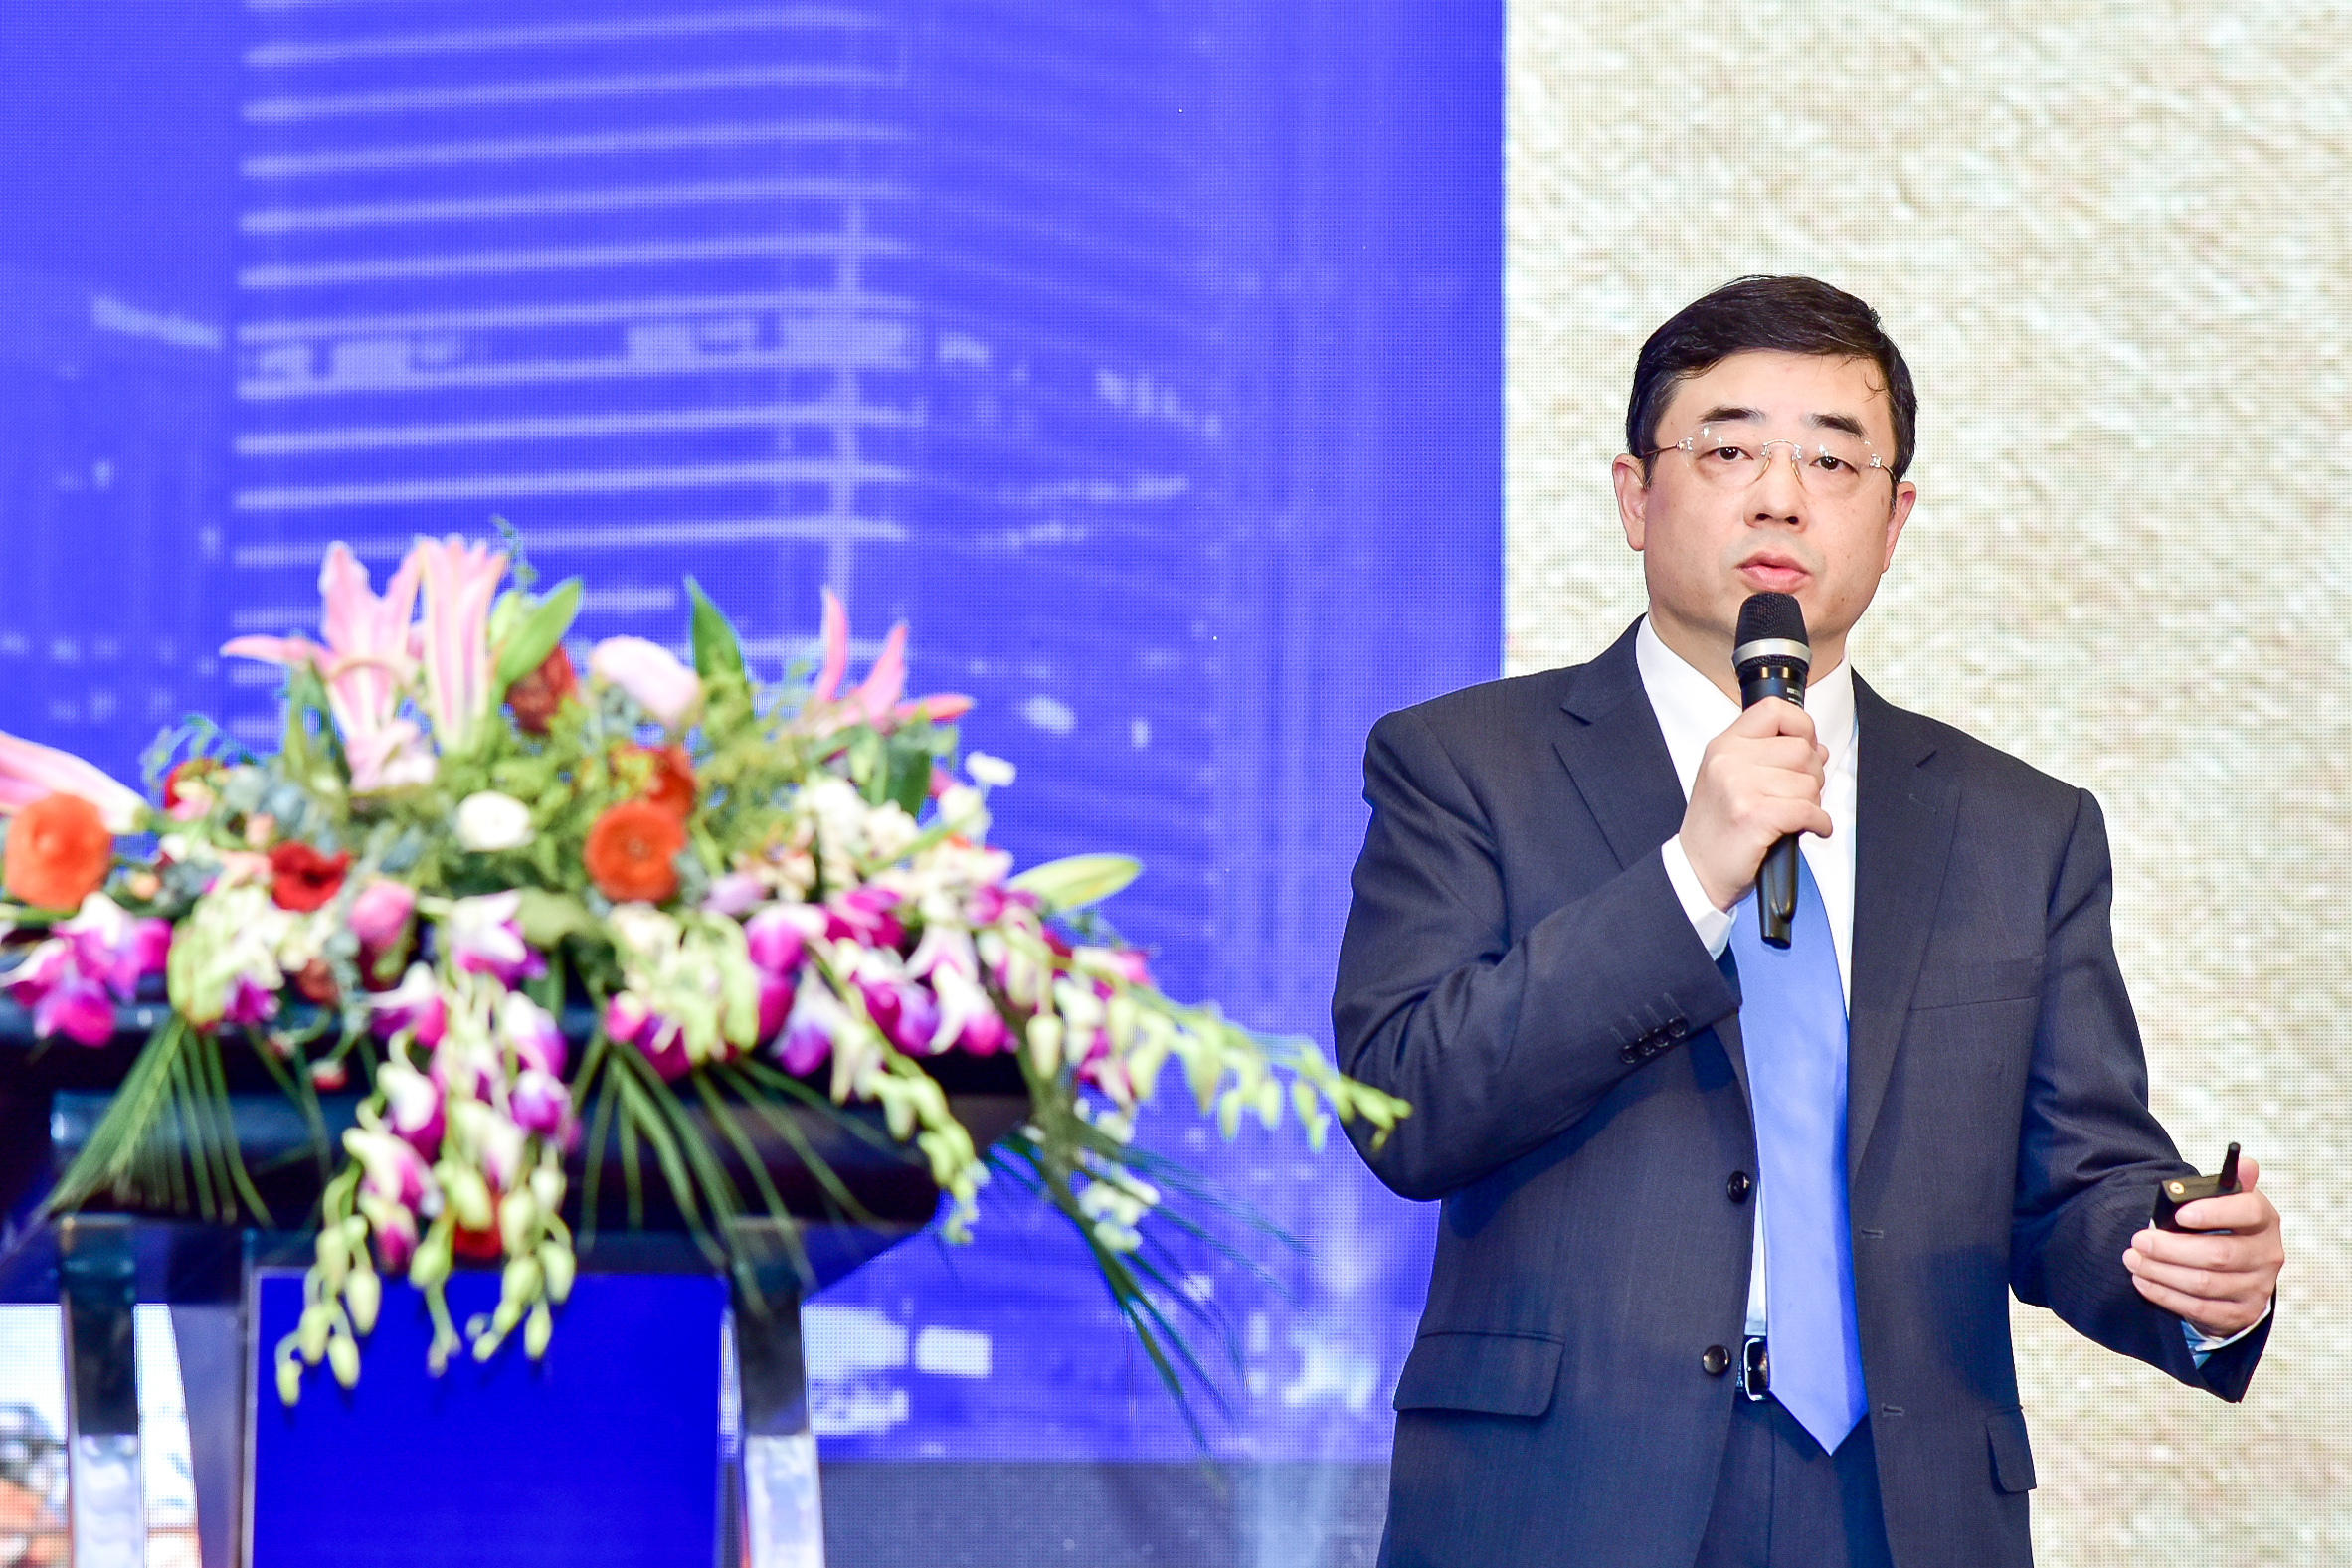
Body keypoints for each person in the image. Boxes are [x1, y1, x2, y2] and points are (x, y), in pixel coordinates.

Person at [1332, 275, 2284, 1568]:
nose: (1779, 496)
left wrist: (2186, 1266)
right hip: (1563, 1498)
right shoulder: (1463, 763)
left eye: (1833, 461)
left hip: (1898, 1510)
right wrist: (1688, 879)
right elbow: (1406, 1100)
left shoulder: (2021, 827)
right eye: (1728, 451)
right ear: (1635, 495)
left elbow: (2072, 1178)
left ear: (1893, 521)